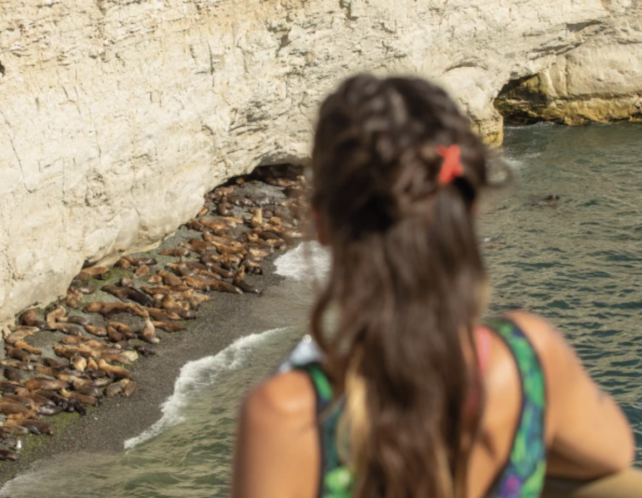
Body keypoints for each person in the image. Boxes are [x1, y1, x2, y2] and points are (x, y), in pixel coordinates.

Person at [231, 75, 635, 498]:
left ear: (322, 226)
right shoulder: (531, 359)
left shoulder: (289, 414)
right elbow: (613, 454)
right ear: (470, 207)